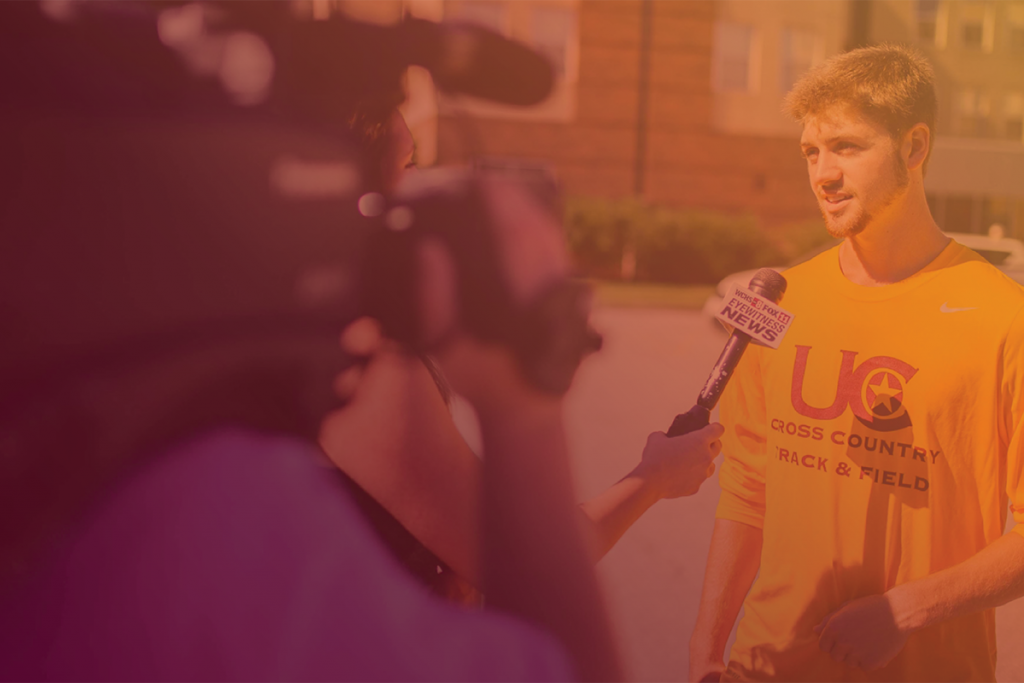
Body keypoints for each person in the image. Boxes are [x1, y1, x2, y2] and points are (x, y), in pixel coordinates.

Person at [688, 44, 1024, 683]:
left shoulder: (1006, 316)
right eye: (811, 152)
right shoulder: (781, 301)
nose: (823, 173)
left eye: (846, 147)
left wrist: (907, 610)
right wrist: (704, 649)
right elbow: (748, 490)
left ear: (914, 147)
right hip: (764, 667)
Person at [321, 97, 725, 597]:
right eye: (406, 165)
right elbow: (530, 563)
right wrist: (655, 477)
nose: (424, 187)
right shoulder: (360, 359)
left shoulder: (301, 327)